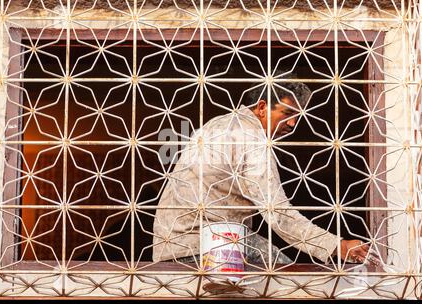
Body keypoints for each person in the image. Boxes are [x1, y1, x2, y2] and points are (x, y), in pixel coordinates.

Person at [152, 81, 369, 266]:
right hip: (205, 244)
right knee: (290, 278)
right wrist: (337, 246)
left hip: (168, 247)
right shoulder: (252, 138)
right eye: (287, 113)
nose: (293, 123)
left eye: (297, 116)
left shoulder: (218, 124)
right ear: (262, 107)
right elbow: (278, 213)